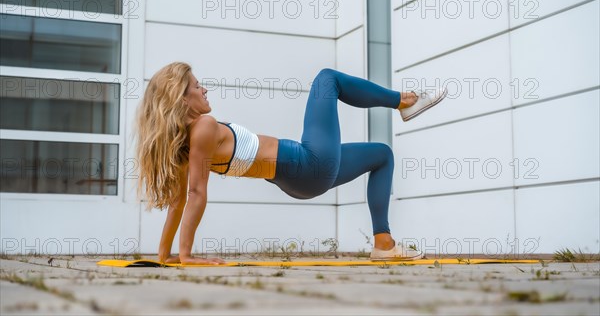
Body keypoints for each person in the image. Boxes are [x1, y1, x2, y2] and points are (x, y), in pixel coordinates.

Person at [135, 62, 447, 265]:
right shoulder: (203, 128)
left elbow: (180, 200)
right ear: (181, 99)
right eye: (196, 86)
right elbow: (195, 194)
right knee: (327, 79)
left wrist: (165, 257)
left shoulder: (187, 145)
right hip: (308, 164)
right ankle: (405, 100)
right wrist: (186, 256)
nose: (204, 89)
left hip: (301, 179)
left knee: (382, 154)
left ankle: (384, 244)